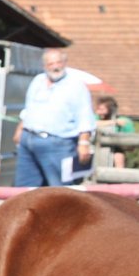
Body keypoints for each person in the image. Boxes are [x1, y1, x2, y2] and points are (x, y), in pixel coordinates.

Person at [13, 48, 96, 188]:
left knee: (59, 188)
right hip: (29, 139)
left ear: (65, 63)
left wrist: (84, 143)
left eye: (58, 62)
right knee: (25, 188)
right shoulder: (38, 81)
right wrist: (20, 129)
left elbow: (85, 115)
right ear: (44, 66)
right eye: (51, 63)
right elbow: (29, 108)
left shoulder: (75, 85)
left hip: (58, 143)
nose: (55, 67)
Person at [95, 94, 134, 169]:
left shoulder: (124, 121)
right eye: (98, 109)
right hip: (96, 148)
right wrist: (114, 122)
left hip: (114, 151)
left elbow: (131, 146)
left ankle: (119, 174)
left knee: (118, 156)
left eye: (102, 110)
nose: (99, 112)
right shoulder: (95, 118)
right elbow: (92, 124)